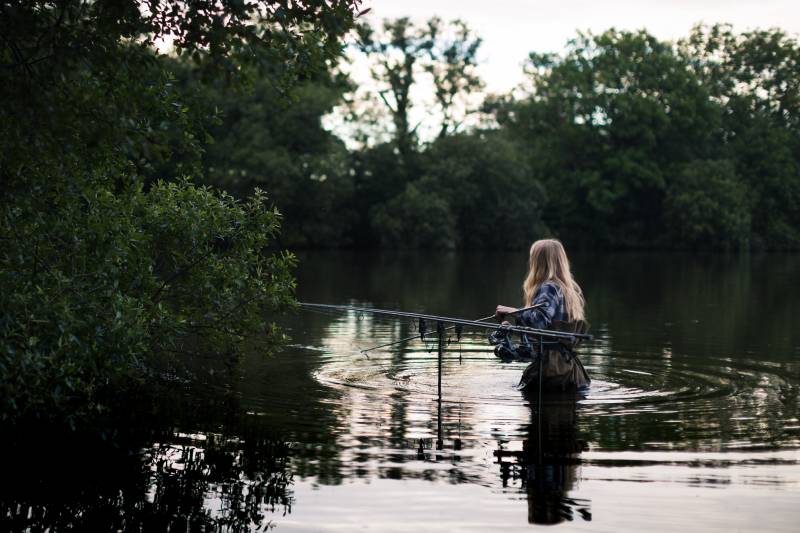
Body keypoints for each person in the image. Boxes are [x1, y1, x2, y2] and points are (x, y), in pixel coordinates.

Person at [494, 239, 591, 392]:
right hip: (567, 369)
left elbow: (539, 321)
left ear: (539, 262)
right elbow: (545, 332)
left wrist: (513, 312)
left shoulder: (549, 287)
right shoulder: (566, 290)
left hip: (551, 370)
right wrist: (512, 329)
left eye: (533, 258)